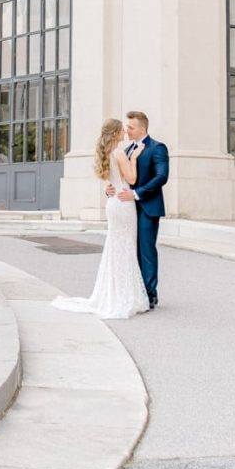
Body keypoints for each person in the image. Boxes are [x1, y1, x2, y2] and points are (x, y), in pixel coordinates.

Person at [52, 118, 150, 320]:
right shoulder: (120, 153)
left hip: (113, 202)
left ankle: (115, 293)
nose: (125, 132)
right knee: (126, 248)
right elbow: (131, 180)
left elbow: (112, 179)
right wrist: (134, 159)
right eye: (122, 130)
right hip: (123, 203)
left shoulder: (106, 153)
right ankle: (124, 295)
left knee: (116, 247)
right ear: (115, 134)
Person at [110, 110, 169, 308]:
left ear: (142, 128)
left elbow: (161, 177)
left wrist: (136, 194)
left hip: (147, 207)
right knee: (130, 249)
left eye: (131, 127)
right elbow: (123, 177)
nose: (127, 131)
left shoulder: (157, 148)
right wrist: (111, 188)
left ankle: (150, 293)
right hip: (126, 208)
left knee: (146, 250)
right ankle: (135, 290)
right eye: (126, 127)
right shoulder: (126, 150)